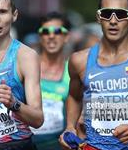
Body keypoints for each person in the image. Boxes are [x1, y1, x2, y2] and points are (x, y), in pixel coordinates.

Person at [59, 0, 128, 150]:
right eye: (107, 14)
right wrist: (70, 126)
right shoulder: (79, 60)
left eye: (121, 14)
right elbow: (74, 96)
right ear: (98, 17)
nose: (113, 21)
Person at [0, 0, 44, 150]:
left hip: (16, 144)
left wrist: (13, 103)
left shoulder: (25, 56)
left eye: (2, 12)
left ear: (14, 15)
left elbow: (38, 119)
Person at [30, 12, 70, 150]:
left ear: (66, 37)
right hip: (27, 145)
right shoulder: (26, 67)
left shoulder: (73, 71)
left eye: (58, 31)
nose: (51, 36)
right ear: (40, 36)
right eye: (45, 31)